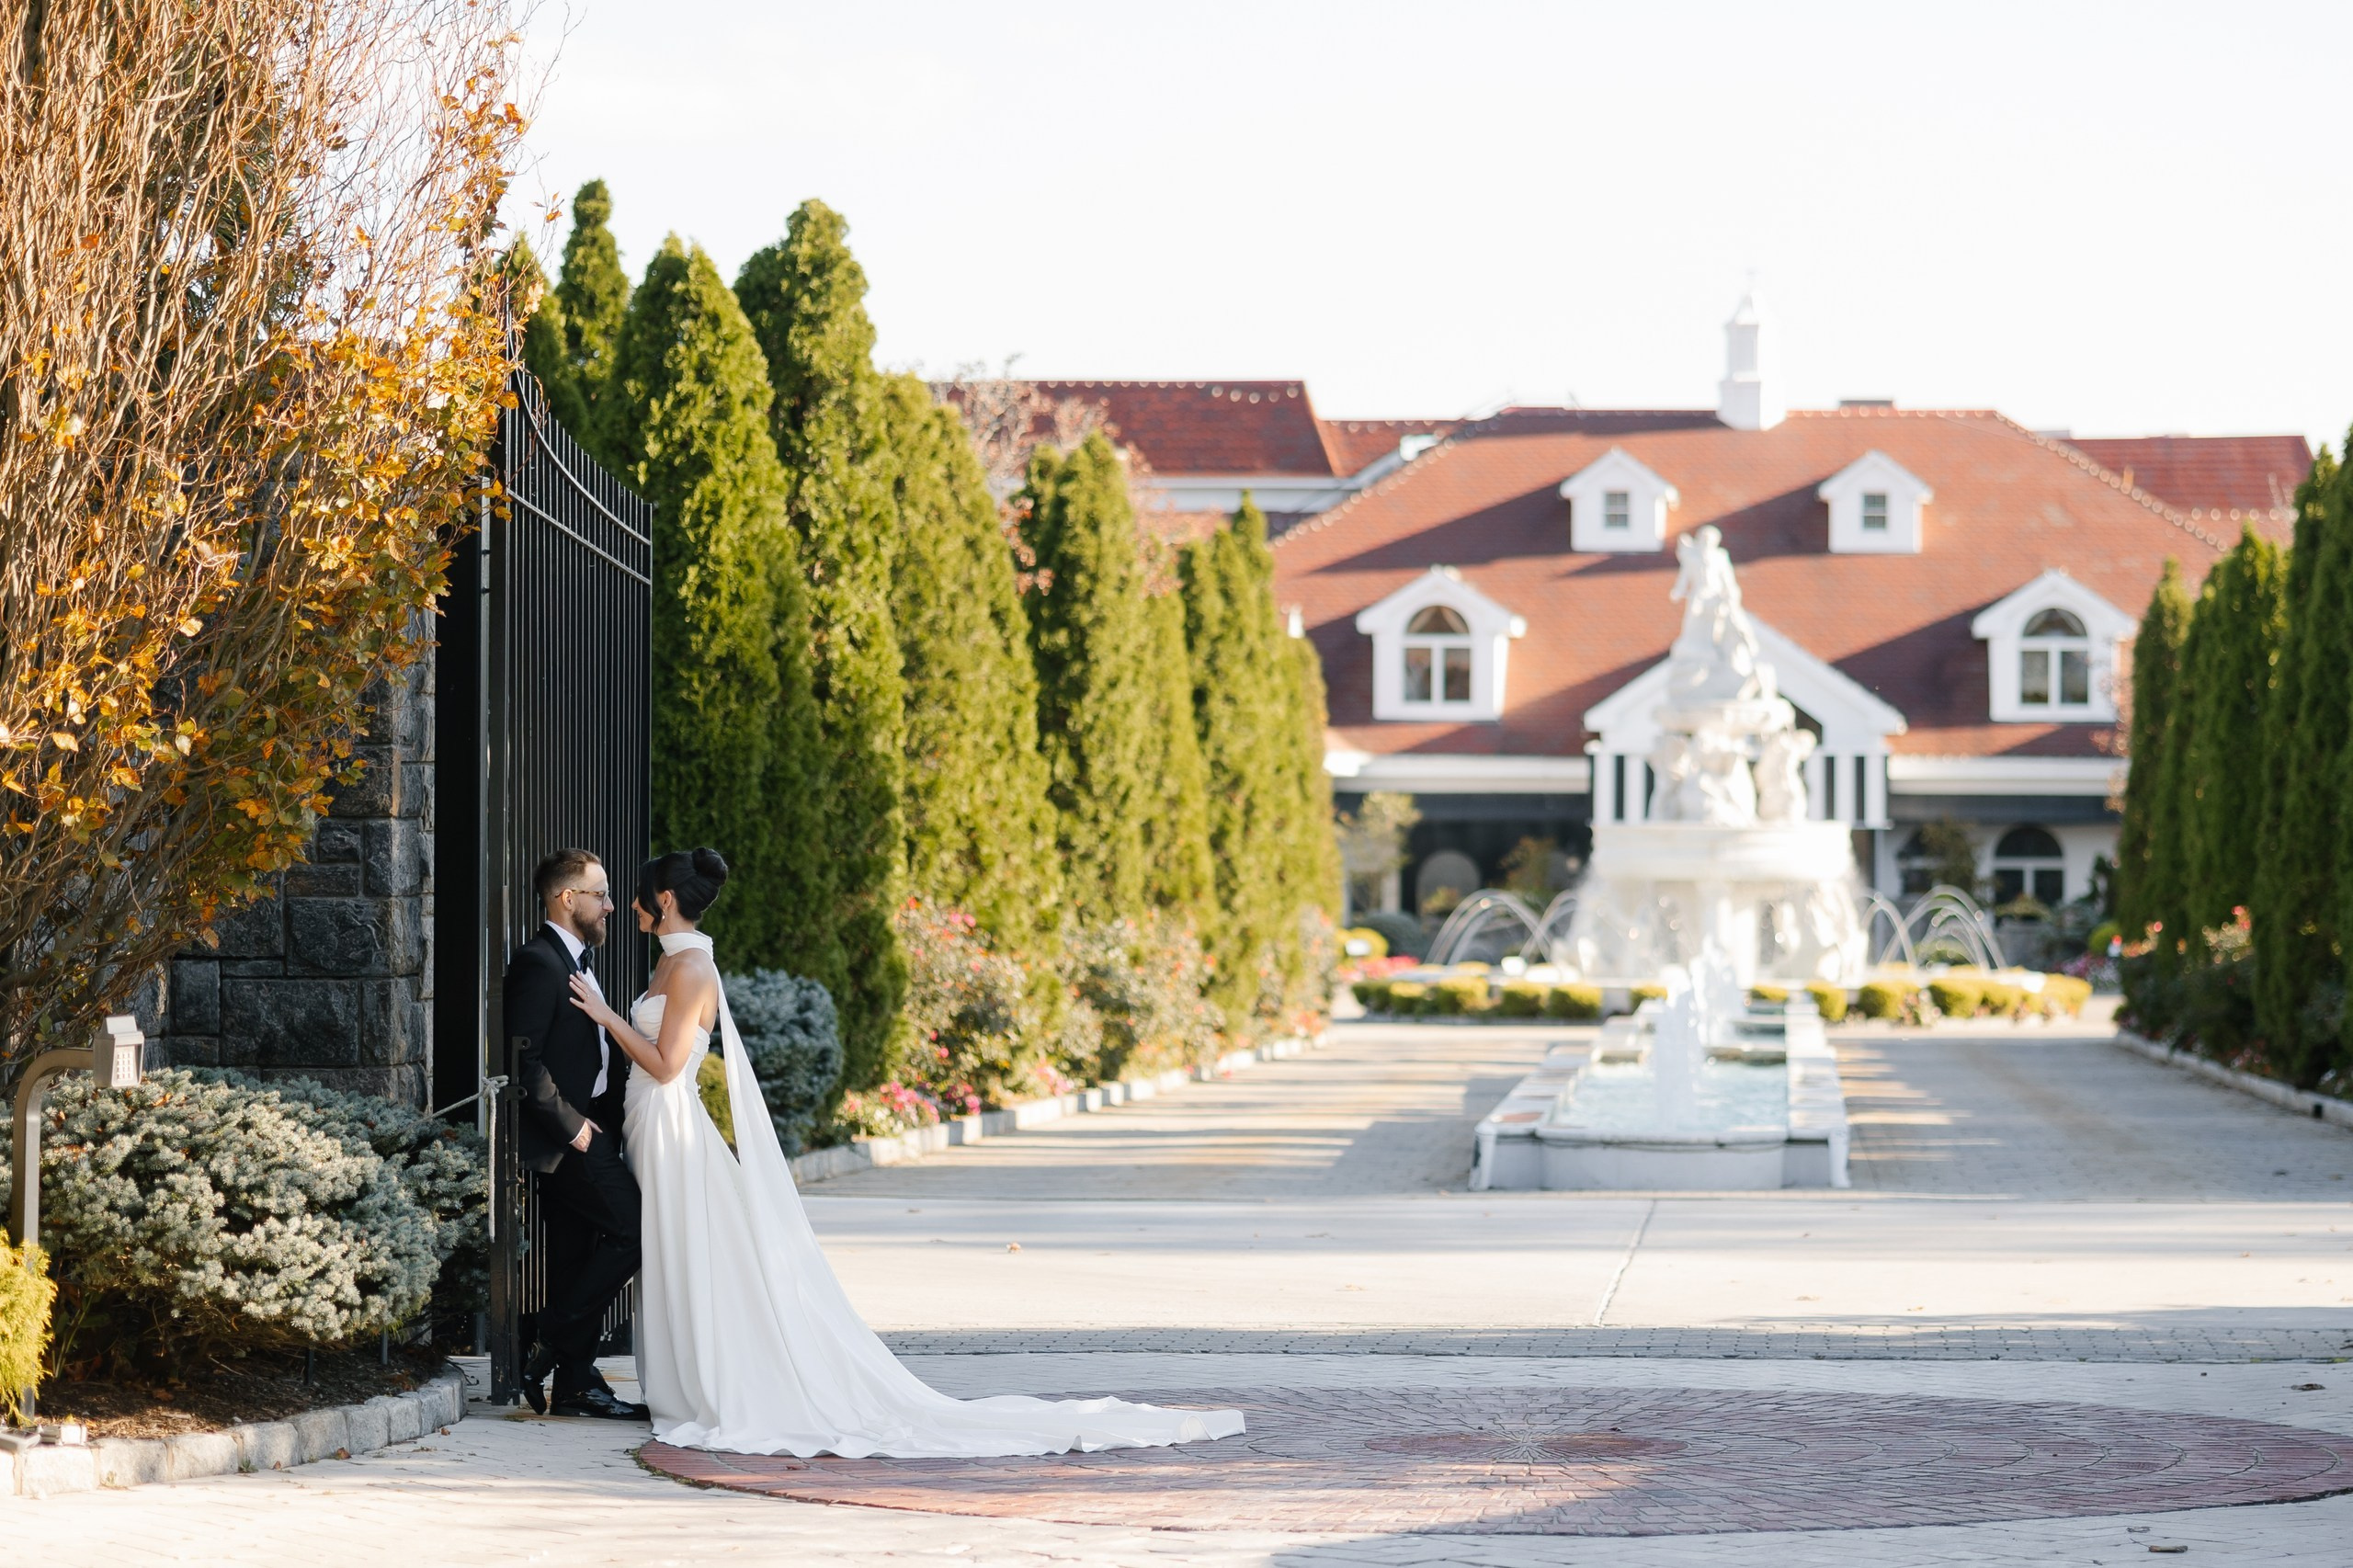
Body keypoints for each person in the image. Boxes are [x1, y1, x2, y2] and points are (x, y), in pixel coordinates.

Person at [565, 846, 1245, 1458]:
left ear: (667, 902)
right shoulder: (671, 960)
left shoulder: (691, 967)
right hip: (648, 1123)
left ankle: (708, 1388)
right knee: (671, 1249)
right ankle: (681, 1384)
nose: (628, 906)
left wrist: (605, 1016)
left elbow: (666, 1062)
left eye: (639, 896)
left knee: (685, 1248)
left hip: (671, 1121)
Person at [502, 848, 648, 1421]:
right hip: (566, 1142)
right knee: (634, 1228)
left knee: (574, 1256)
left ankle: (574, 1385)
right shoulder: (539, 962)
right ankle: (540, 1334)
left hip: (594, 1130)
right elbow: (525, 1062)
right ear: (569, 899)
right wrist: (574, 1130)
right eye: (600, 893)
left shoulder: (578, 962)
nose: (610, 904)